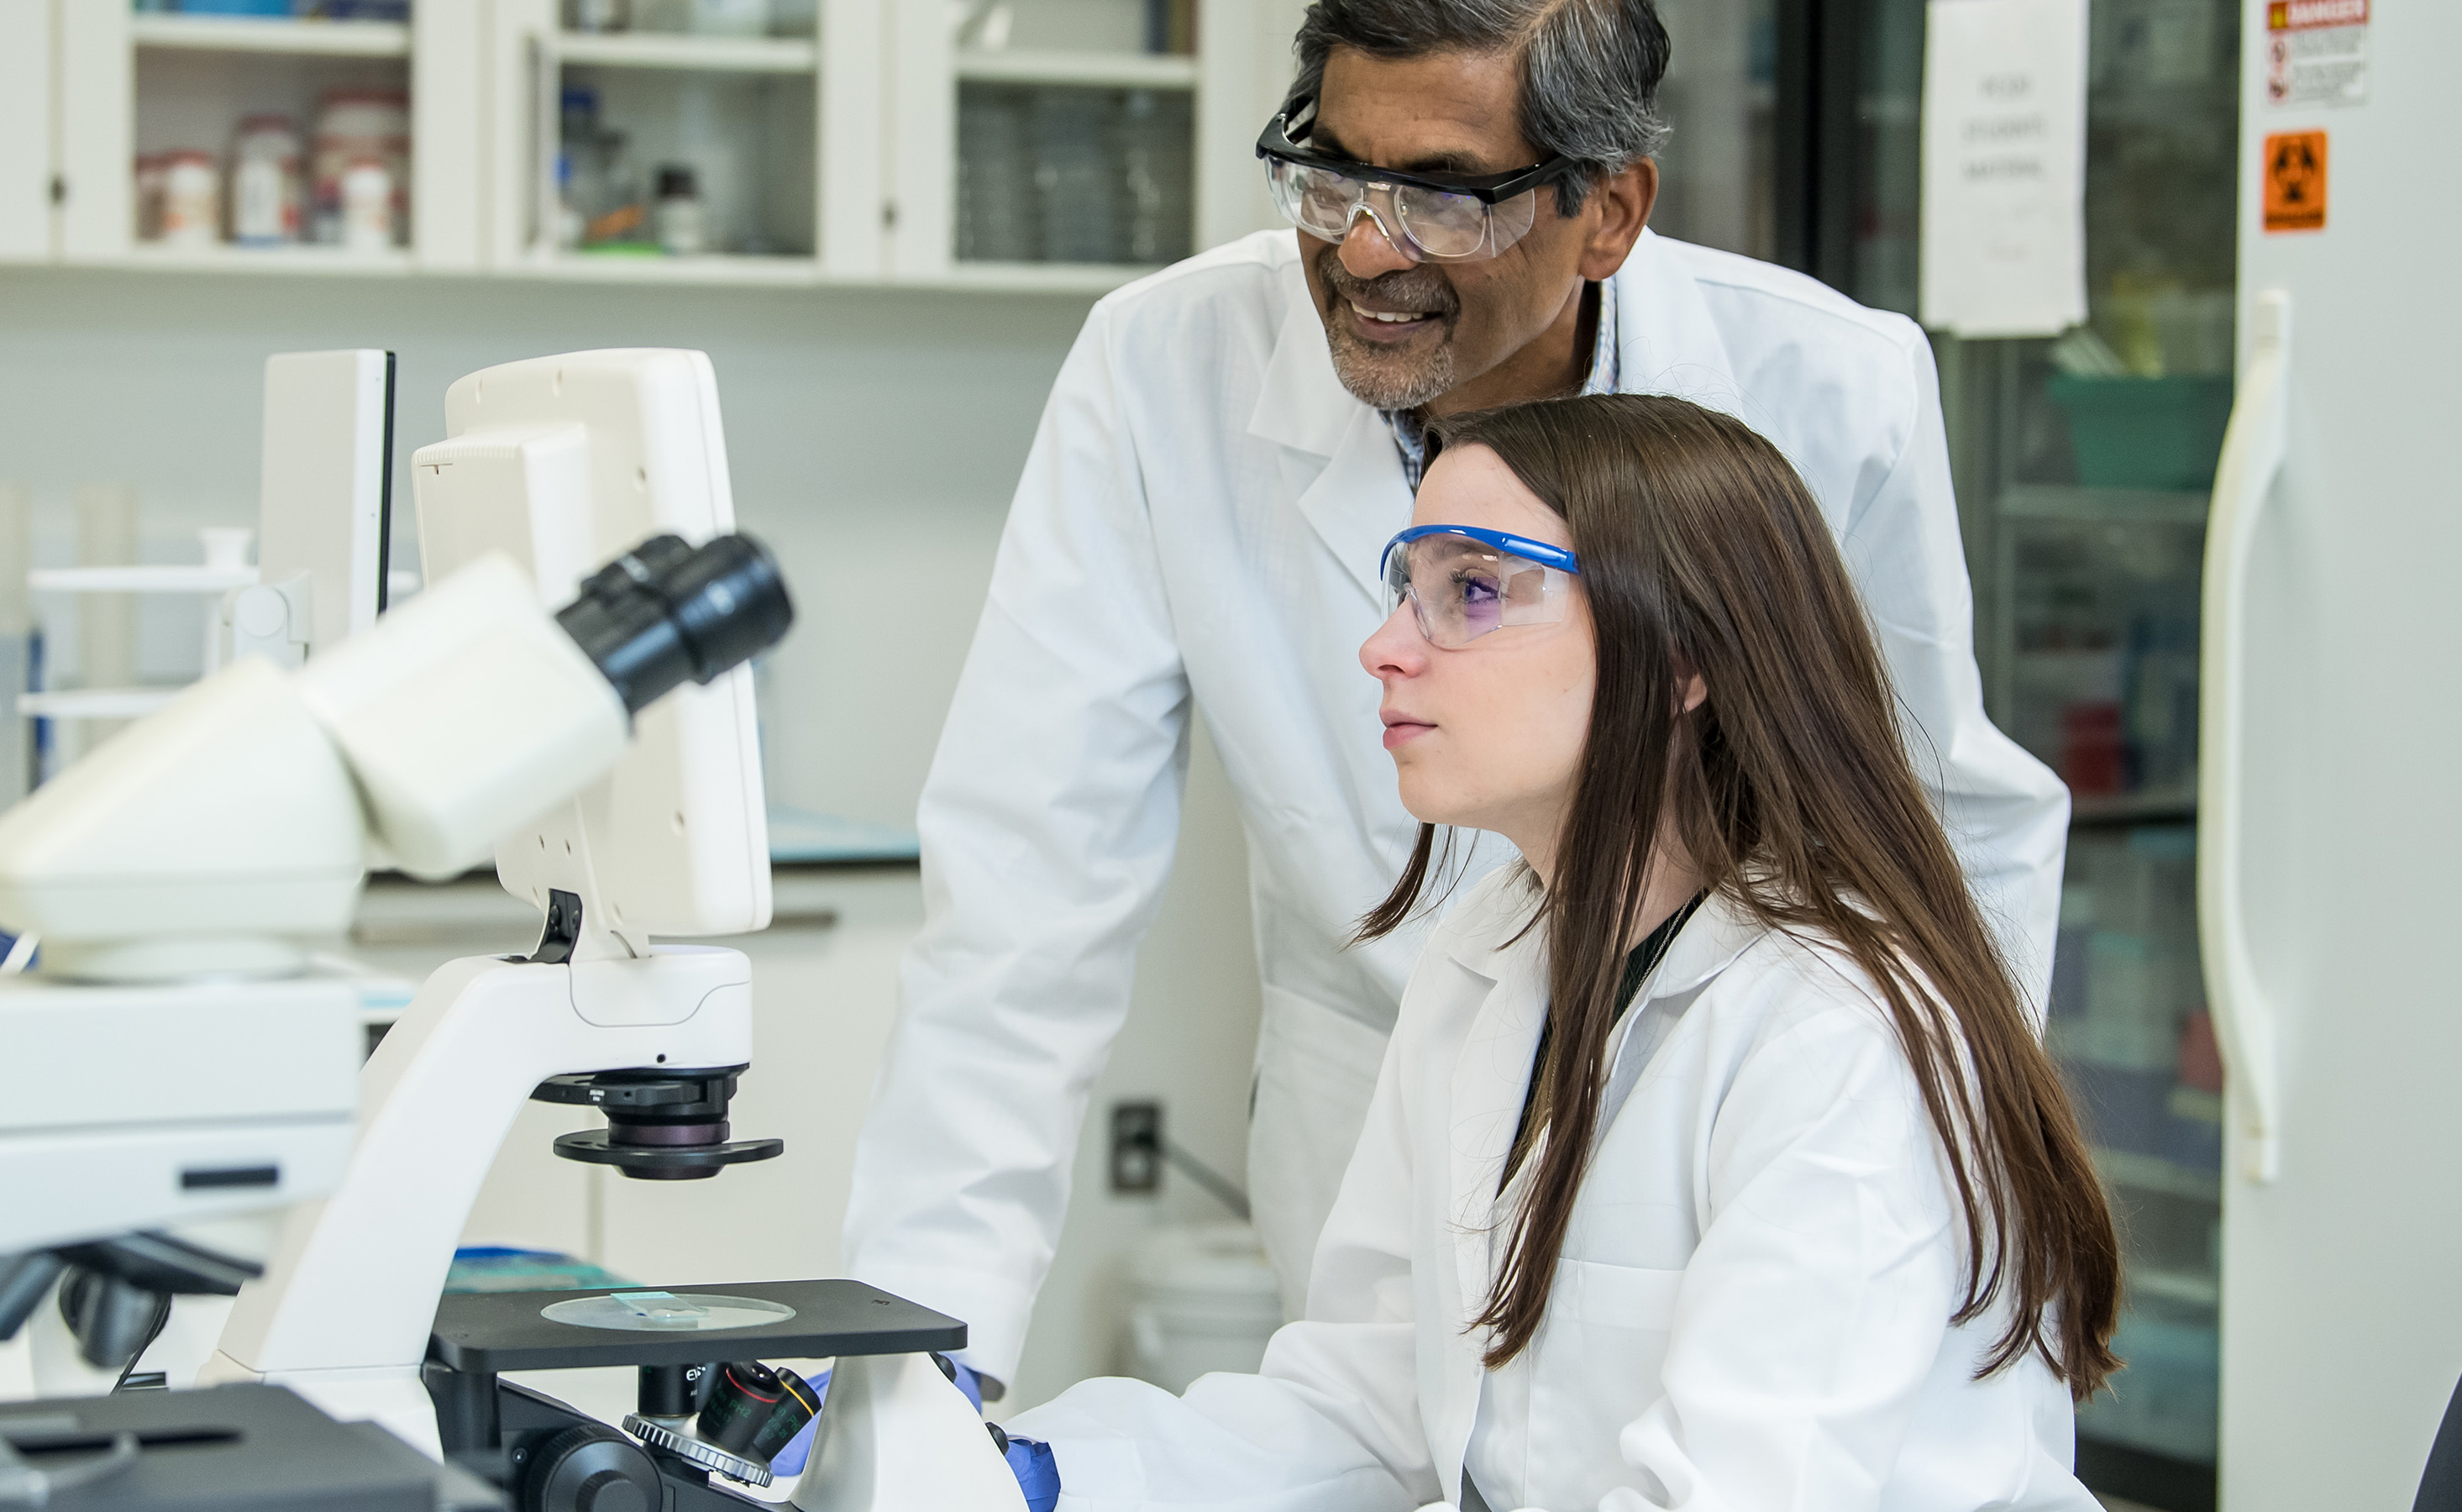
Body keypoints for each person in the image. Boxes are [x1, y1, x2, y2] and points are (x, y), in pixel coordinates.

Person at [843, 0, 2070, 1387]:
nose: (1367, 251)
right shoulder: (1165, 366)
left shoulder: (1825, 387)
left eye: (1443, 199)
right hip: (1378, 1126)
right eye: (1333, 175)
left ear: (1607, 213)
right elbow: (1024, 900)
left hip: (1747, 1135)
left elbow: (1944, 822)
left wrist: (1953, 1199)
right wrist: (915, 1374)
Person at [1001, 393, 2123, 1511]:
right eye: (1407, 587)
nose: (1385, 646)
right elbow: (1372, 1407)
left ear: (1681, 657)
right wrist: (1039, 1478)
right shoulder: (1490, 951)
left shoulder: (1839, 1035)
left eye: (1472, 592)